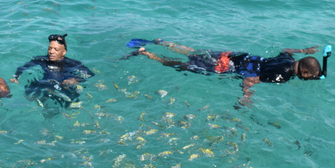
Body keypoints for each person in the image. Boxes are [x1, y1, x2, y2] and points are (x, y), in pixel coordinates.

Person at [134, 40, 321, 107]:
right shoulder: (283, 76)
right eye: (310, 76)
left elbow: (286, 49)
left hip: (234, 56)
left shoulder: (288, 59)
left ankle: (161, 42)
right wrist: (246, 96)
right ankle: (147, 54)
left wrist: (304, 50)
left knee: (193, 53)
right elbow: (250, 79)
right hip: (225, 67)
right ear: (303, 72)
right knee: (183, 65)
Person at [11, 34, 94, 111]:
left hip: (63, 86)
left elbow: (90, 74)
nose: (51, 52)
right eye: (50, 48)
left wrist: (75, 79)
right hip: (45, 86)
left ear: (64, 52)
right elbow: (24, 67)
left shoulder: (72, 63)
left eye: (56, 49)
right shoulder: (42, 60)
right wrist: (16, 77)